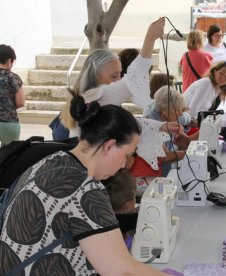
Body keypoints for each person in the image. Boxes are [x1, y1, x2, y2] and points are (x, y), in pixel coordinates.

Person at [0, 95, 164, 275]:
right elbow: (121, 270)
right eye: (127, 155)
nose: (125, 165)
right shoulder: (85, 189)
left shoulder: (49, 162)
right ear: (109, 146)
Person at [60, 18, 180, 171]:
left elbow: (120, 125)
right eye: (113, 76)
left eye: (119, 76)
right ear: (96, 76)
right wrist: (150, 37)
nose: (118, 81)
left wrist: (161, 126)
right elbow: (135, 75)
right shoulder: (100, 94)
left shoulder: (87, 97)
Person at [145, 86, 187, 176]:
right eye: (177, 110)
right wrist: (190, 154)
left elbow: (185, 141)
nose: (180, 113)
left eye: (181, 109)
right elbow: (164, 156)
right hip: (151, 179)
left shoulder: (167, 120)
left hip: (164, 173)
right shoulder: (151, 125)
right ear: (164, 109)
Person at [0, 44, 25, 145]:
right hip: (8, 122)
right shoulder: (13, 78)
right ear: (9, 61)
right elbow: (21, 102)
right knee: (9, 156)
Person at [103, 169, 138, 237]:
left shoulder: (106, 217)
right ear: (127, 205)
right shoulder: (132, 221)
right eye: (134, 197)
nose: (135, 201)